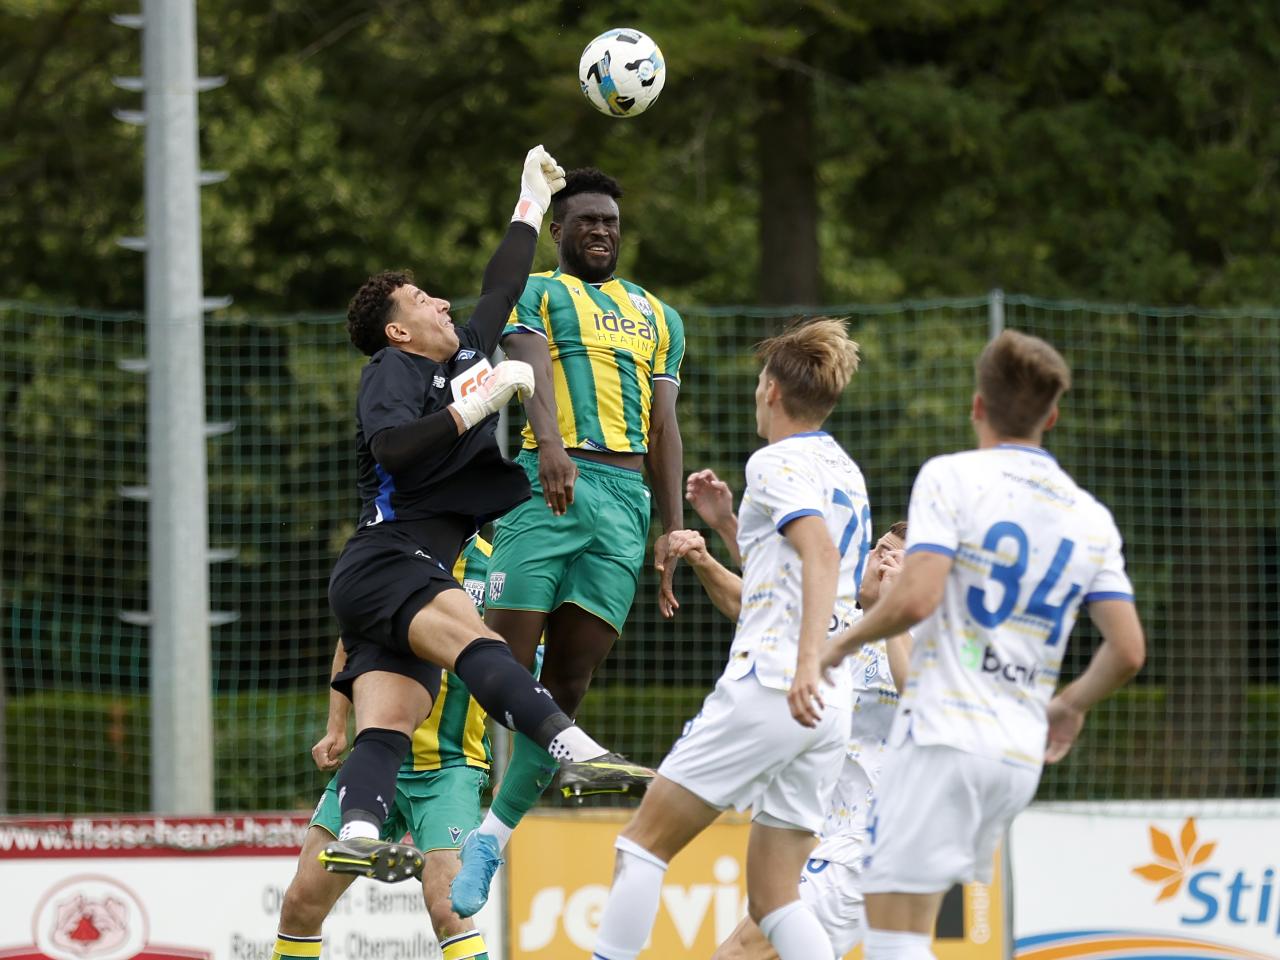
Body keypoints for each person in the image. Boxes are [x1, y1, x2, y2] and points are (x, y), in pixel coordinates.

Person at [318, 146, 651, 882]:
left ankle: (361, 832)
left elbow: (502, 285)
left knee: (390, 722)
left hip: (386, 575)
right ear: (397, 330)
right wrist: (479, 407)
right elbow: (393, 447)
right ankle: (576, 752)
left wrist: (530, 201)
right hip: (389, 558)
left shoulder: (463, 355)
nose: (441, 303)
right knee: (480, 643)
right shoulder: (394, 368)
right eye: (421, 300)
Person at [818, 330, 1146, 960]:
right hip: (1017, 755)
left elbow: (914, 599)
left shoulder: (953, 478)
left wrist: (836, 647)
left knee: (892, 934)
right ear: (1052, 416)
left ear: (977, 406)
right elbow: (1128, 650)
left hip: (945, 737)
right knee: (901, 931)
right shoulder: (1090, 516)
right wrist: (1069, 704)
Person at [590, 318, 867, 960]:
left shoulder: (773, 460)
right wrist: (729, 525)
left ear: (771, 390)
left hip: (775, 684)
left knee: (641, 845)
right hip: (831, 705)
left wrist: (804, 663)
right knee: (775, 899)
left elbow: (820, 556)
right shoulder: (842, 468)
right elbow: (788, 574)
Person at [450, 167, 686, 916]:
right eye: (587, 220)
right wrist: (549, 444)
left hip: (624, 504)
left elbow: (664, 426)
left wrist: (673, 526)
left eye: (611, 221)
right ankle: (474, 761)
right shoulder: (538, 292)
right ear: (559, 231)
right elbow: (528, 368)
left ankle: (491, 837)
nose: (602, 231)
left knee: (569, 690)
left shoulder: (659, 316)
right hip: (546, 482)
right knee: (500, 673)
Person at [674, 470, 910, 959]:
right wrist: (709, 550)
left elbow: (921, 698)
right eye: (876, 548)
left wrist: (896, 610)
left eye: (890, 555)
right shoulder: (849, 624)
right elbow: (761, 604)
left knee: (741, 951)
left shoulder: (927, 635)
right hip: (822, 834)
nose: (875, 558)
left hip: (872, 840)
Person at [271, 537, 498, 960]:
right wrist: (336, 725)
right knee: (301, 903)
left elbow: (524, 666)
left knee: (449, 908)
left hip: (449, 768)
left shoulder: (497, 567)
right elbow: (351, 641)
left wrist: (519, 762)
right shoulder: (393, 552)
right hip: (374, 761)